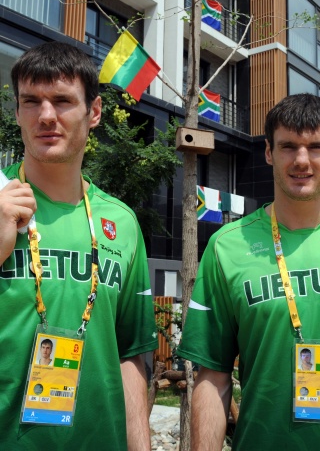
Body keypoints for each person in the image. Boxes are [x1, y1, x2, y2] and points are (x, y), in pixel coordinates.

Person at [0, 41, 158, 450]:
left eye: (62, 101)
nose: (46, 116)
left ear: (95, 112)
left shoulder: (121, 223)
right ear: (16, 111)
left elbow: (130, 355)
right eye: (31, 101)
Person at [177, 93, 320, 450]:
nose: (302, 160)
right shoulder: (228, 246)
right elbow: (213, 376)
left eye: (316, 146)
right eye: (289, 146)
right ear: (269, 152)